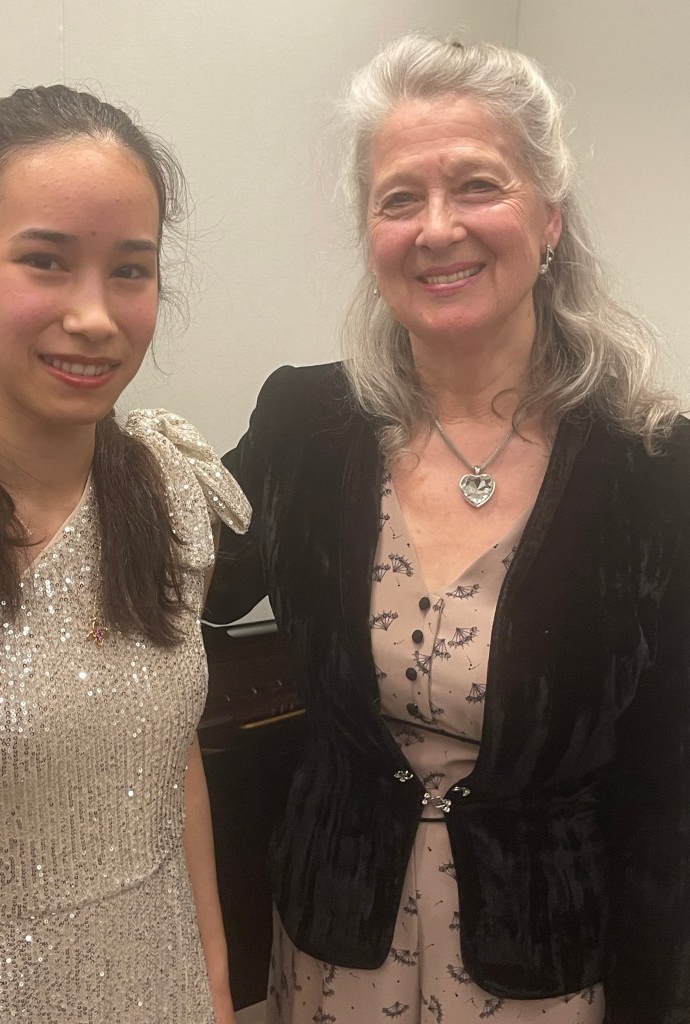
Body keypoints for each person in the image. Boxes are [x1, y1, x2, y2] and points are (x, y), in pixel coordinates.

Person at [205, 33, 690, 1024]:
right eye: (399, 198)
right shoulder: (304, 424)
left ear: (549, 217)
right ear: (368, 229)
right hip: (334, 947)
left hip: (550, 970)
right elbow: (181, 581)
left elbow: (670, 779)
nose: (437, 228)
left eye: (477, 185)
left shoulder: (654, 464)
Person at [0, 86, 249, 1023]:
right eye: (46, 262)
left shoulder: (170, 491)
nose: (96, 316)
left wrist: (215, 985)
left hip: (162, 990)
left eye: (130, 270)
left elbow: (172, 764)